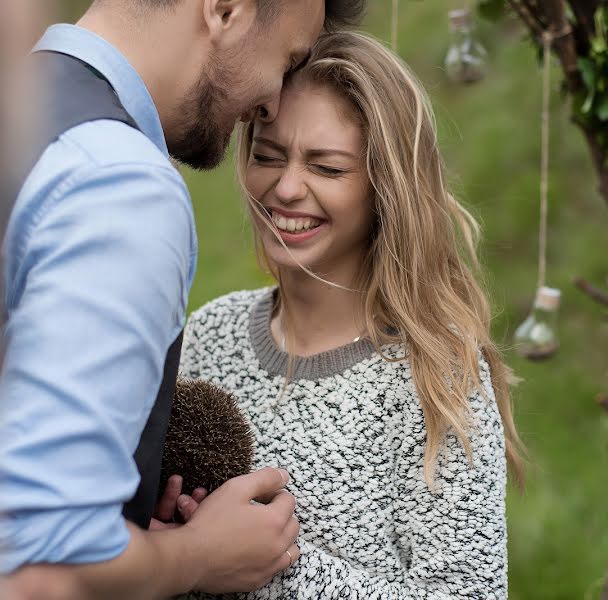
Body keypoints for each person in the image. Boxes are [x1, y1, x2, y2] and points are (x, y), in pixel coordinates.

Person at [0, 1, 364, 598]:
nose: (273, 101)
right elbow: (49, 550)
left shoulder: (21, 108)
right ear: (226, 9)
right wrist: (195, 556)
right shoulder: (119, 185)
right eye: (289, 57)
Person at [178, 31, 525, 599]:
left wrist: (274, 561)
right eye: (267, 156)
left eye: (328, 168)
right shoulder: (209, 332)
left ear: (385, 187)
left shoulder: (436, 376)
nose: (286, 188)